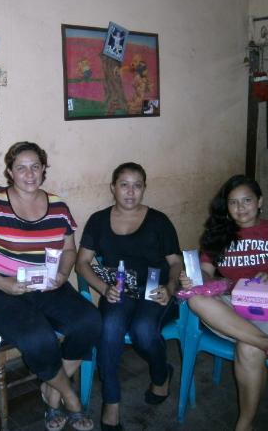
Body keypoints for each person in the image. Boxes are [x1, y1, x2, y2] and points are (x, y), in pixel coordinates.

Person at [0, 141, 99, 431]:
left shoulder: (58, 206)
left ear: (43, 170)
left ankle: (51, 390)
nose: (29, 174)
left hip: (47, 282)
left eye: (35, 167)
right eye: (21, 168)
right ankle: (69, 396)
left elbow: (69, 250)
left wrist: (62, 274)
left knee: (90, 321)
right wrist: (0, 282)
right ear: (10, 172)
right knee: (38, 337)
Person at [179, 174, 268, 431]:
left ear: (260, 201)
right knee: (195, 298)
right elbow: (206, 273)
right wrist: (194, 278)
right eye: (233, 202)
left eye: (247, 200)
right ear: (226, 206)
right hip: (235, 305)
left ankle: (244, 425)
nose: (240, 208)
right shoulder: (219, 235)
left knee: (249, 349)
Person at [76, 162, 183, 431]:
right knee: (110, 326)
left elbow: (175, 262)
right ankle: (111, 400)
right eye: (124, 185)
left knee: (143, 330)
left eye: (137, 186)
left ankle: (161, 374)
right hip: (119, 291)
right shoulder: (98, 221)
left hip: (155, 290)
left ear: (144, 188)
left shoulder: (159, 221)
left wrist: (170, 288)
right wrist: (103, 288)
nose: (131, 192)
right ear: (113, 188)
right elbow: (82, 263)